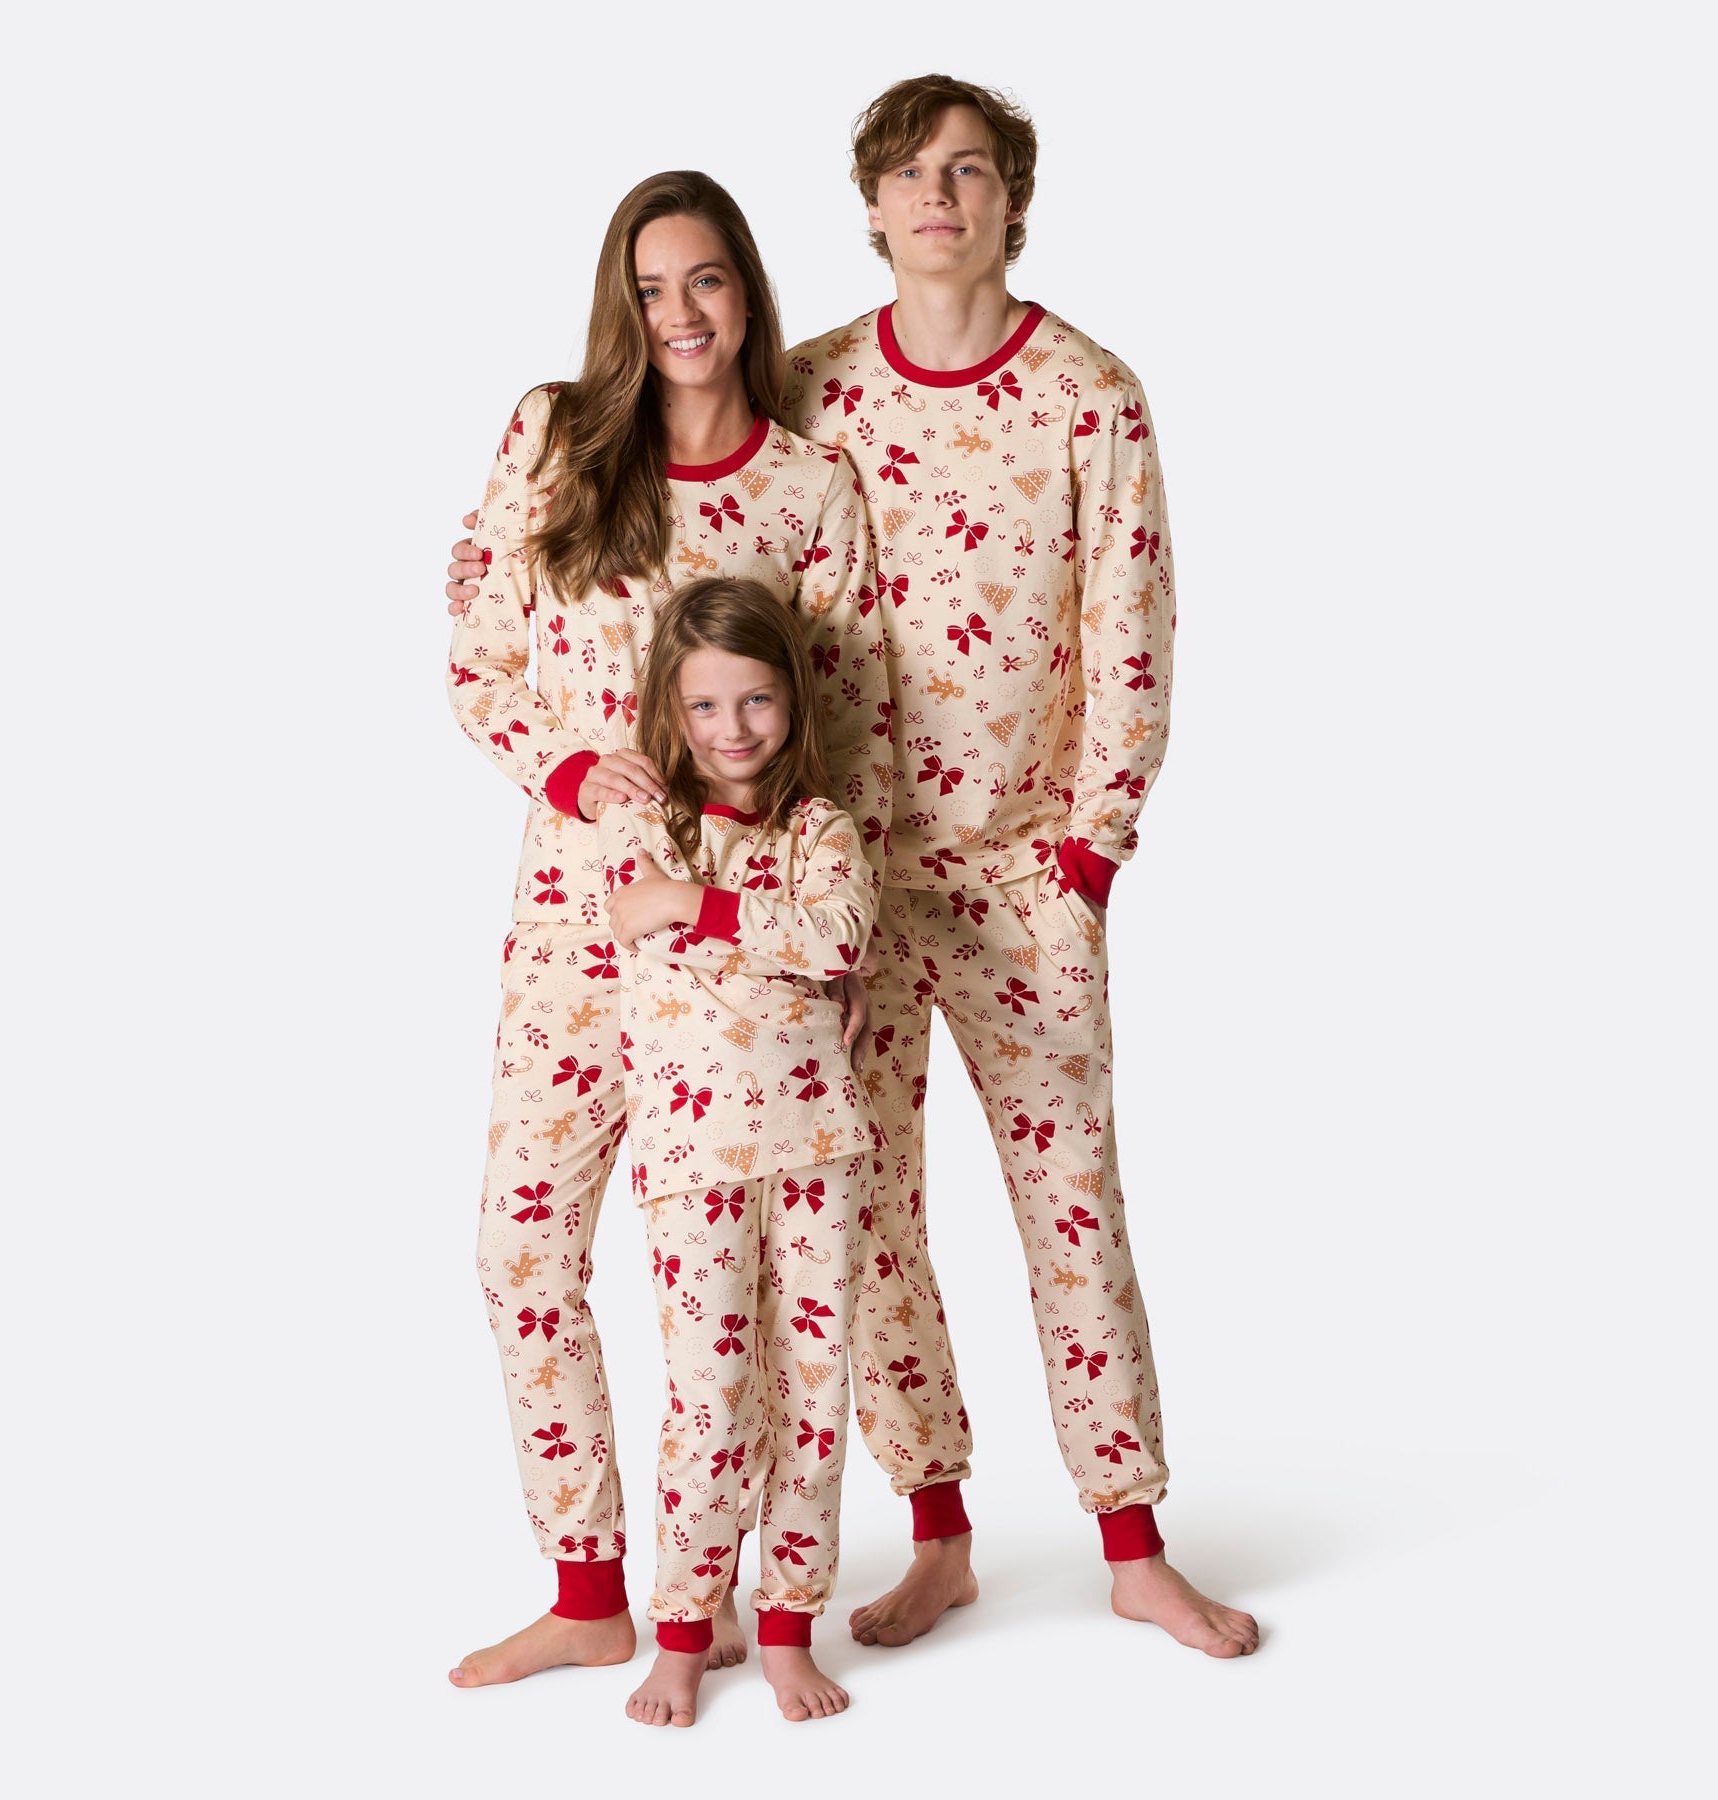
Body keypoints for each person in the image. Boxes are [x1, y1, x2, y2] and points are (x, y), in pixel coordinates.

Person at [447, 76, 1258, 1661]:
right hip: (723, 913)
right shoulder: (782, 396)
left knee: (1061, 1208)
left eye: (969, 172)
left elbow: (1121, 629)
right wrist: (596, 785)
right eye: (908, 174)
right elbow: (513, 638)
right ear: (869, 206)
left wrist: (1089, 851)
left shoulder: (1061, 403)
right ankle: (891, 1542)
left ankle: (1127, 1538)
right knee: (846, 1227)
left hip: (974, 887)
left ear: (1013, 196)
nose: (938, 198)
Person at [444, 171, 887, 1690]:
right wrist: (565, 767)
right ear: (619, 306)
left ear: (746, 290)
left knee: (746, 1303)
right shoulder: (557, 438)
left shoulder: (811, 489)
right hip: (578, 926)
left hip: (749, 976)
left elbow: (855, 730)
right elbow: (478, 655)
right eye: (650, 288)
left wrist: (830, 951)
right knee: (522, 1249)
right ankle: (589, 1592)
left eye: (705, 280)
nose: (680, 314)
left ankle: (737, 1604)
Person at [602, 576, 877, 1726]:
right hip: (695, 1157)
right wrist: (770, 943)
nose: (733, 728)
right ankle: (682, 1630)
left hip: (820, 1149)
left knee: (814, 1393)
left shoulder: (821, 830)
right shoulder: (644, 828)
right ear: (672, 709)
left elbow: (840, 937)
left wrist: (701, 908)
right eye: (707, 705)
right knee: (711, 1404)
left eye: (756, 700)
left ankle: (787, 1631)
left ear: (793, 699)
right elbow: (644, 935)